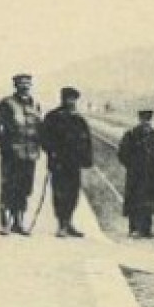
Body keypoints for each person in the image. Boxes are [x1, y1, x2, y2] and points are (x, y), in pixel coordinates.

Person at [0, 73, 43, 236]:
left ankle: (19, 222)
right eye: (21, 83)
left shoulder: (36, 104)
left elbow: (40, 128)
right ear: (15, 86)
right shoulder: (7, 104)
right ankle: (5, 224)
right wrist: (4, 145)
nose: (25, 86)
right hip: (11, 155)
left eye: (27, 83)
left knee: (25, 188)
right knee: (8, 187)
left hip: (30, 155)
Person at [39, 86, 94, 238]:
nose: (71, 102)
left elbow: (87, 140)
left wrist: (87, 160)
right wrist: (52, 153)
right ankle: (61, 225)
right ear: (62, 99)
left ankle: (69, 222)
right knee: (60, 193)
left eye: (73, 99)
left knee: (73, 194)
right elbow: (43, 138)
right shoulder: (52, 117)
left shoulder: (79, 119)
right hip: (59, 163)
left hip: (74, 163)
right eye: (68, 98)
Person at [118, 109, 154, 239]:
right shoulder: (131, 135)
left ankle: (146, 230)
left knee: (148, 203)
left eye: (147, 120)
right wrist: (131, 166)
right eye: (143, 120)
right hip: (136, 175)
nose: (145, 123)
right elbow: (122, 153)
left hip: (152, 175)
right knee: (134, 201)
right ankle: (134, 228)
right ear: (139, 120)